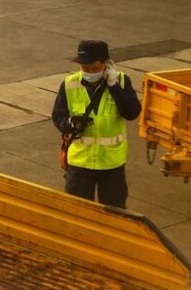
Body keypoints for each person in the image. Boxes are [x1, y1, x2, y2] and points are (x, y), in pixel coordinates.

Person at [51, 39, 140, 209]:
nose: (89, 72)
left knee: (115, 213)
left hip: (111, 164)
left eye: (95, 69)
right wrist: (71, 123)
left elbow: (131, 113)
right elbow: (58, 116)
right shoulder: (69, 84)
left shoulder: (121, 81)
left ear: (106, 65)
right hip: (80, 163)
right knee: (78, 212)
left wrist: (113, 86)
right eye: (85, 69)